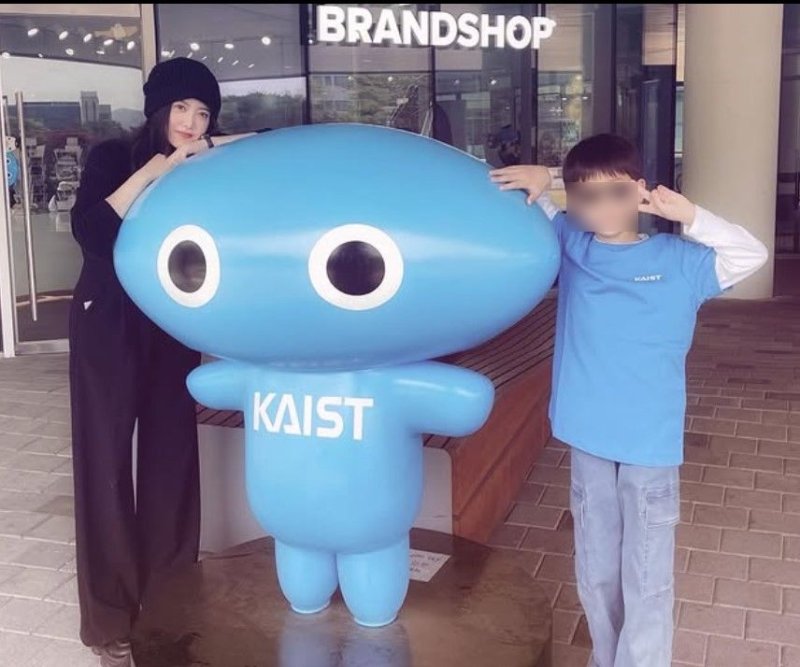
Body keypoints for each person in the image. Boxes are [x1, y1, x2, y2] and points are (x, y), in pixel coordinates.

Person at [490, 134, 768, 667]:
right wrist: (548, 177)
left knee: (645, 573)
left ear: (640, 190)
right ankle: (606, 657)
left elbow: (750, 254)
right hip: (588, 434)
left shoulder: (680, 261)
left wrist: (689, 215)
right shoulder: (574, 244)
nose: (602, 209)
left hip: (648, 443)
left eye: (617, 193)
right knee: (596, 570)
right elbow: (546, 203)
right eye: (586, 198)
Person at [69, 57, 259, 667]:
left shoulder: (204, 165)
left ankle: (171, 604)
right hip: (107, 320)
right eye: (181, 107)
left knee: (172, 460)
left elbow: (261, 146)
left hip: (170, 322)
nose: (191, 121)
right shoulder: (113, 157)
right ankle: (109, 623)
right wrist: (158, 168)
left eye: (203, 112)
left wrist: (208, 151)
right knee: (105, 464)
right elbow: (93, 234)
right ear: (158, 109)